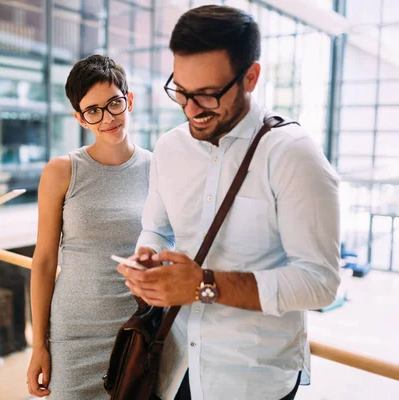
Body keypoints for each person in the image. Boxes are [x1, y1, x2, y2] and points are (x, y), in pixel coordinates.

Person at [116, 5, 340, 400]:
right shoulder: (169, 148)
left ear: (250, 77)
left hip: (252, 380)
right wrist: (147, 259)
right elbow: (156, 227)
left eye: (206, 95)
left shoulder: (293, 155)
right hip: (173, 365)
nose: (190, 110)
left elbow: (320, 282)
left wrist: (204, 286)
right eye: (181, 92)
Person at [26, 54, 152, 399]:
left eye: (114, 103)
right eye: (93, 110)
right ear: (80, 118)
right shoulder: (61, 171)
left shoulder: (158, 168)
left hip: (137, 332)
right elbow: (44, 261)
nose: (107, 118)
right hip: (73, 334)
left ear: (130, 101)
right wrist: (39, 344)